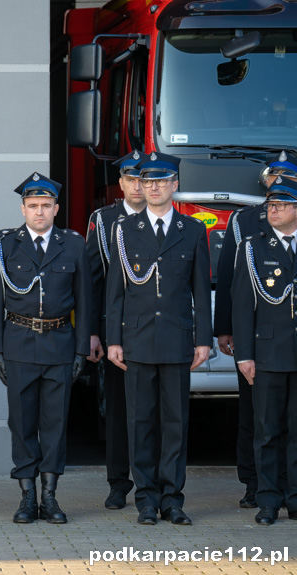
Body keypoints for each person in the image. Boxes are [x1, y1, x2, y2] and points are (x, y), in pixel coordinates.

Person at [105, 152, 212, 526]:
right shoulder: (125, 231)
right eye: (147, 182)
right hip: (136, 340)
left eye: (161, 181)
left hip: (177, 340)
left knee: (175, 423)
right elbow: (115, 291)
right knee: (141, 423)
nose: (152, 188)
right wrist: (113, 338)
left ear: (174, 186)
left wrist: (203, 339)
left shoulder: (193, 230)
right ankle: (146, 500)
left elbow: (201, 290)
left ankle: (173, 499)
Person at [0, 173, 93, 524]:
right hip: (18, 344)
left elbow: (85, 302)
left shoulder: (74, 245)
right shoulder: (5, 246)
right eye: (33, 206)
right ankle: (27, 496)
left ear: (56, 208)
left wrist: (80, 351)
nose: (39, 212)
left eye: (46, 206)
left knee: (55, 424)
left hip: (60, 344)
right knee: (21, 423)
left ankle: (50, 496)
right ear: (23, 209)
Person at [214, 150, 297, 509]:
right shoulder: (247, 233)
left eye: (282, 200)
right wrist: (232, 337)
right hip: (264, 345)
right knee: (259, 422)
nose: (273, 206)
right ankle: (260, 491)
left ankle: (290, 492)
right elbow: (235, 288)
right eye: (271, 198)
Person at [85, 150, 147, 510]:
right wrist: (93, 332)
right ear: (120, 184)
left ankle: (150, 484)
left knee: (152, 410)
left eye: (142, 179)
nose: (136, 186)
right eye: (129, 179)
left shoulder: (164, 220)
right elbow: (93, 279)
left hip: (154, 330)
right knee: (119, 409)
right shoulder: (104, 219)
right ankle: (118, 483)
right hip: (116, 332)